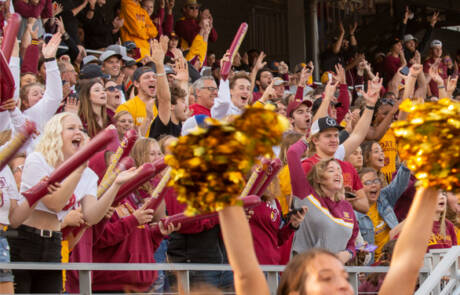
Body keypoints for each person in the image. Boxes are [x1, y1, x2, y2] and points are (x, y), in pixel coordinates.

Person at [7, 112, 139, 293]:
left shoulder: (88, 174)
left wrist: (115, 185)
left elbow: (91, 217)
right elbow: (54, 203)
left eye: (81, 129)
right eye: (71, 128)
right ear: (55, 134)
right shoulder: (38, 160)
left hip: (54, 242)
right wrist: (79, 168)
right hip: (24, 239)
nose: (79, 132)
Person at [91, 138, 178, 293]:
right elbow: (100, 238)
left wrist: (158, 234)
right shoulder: (98, 200)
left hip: (136, 283)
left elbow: (141, 240)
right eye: (116, 166)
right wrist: (133, 220)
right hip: (112, 285)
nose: (121, 169)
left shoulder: (127, 197)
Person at [288, 136, 359, 263]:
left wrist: (348, 253)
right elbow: (292, 154)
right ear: (318, 178)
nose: (338, 174)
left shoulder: (346, 207)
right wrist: (307, 139)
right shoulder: (306, 196)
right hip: (306, 272)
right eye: (331, 170)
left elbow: (352, 242)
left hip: (335, 275)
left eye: (339, 171)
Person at [355, 165, 410, 263]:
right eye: (367, 182)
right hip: (372, 268)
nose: (373, 185)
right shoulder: (355, 212)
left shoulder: (384, 197)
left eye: (376, 181)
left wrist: (406, 165)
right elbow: (358, 246)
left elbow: (400, 183)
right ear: (358, 188)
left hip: (396, 260)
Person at [116, 38, 169, 136]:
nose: (152, 80)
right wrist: (148, 118)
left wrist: (160, 64)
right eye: (147, 77)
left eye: (154, 77)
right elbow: (127, 140)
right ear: (136, 83)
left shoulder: (158, 105)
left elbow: (166, 99)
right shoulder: (127, 107)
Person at [248, 180, 307, 265]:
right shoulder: (247, 196)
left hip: (272, 264)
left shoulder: (275, 201)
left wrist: (292, 225)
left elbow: (277, 239)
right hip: (253, 264)